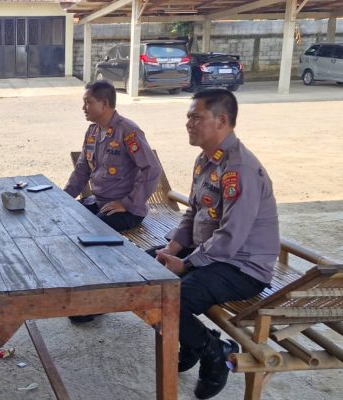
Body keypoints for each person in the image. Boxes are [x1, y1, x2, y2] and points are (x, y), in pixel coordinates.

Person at [154, 89, 279, 399]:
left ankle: (214, 351)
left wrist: (187, 263)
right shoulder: (206, 160)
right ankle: (196, 341)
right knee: (143, 273)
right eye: (188, 117)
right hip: (208, 255)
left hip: (242, 267)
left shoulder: (240, 170)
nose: (189, 124)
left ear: (222, 121)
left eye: (196, 117)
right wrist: (172, 248)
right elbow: (194, 212)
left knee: (171, 300)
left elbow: (231, 236)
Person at [64, 80, 161, 323]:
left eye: (88, 102)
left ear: (104, 104)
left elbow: (151, 170)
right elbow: (82, 169)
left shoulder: (128, 131)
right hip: (100, 201)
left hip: (126, 209)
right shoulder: (93, 131)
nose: (84, 107)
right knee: (67, 223)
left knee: (93, 237)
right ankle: (79, 292)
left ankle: (98, 302)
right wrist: (64, 199)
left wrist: (128, 203)